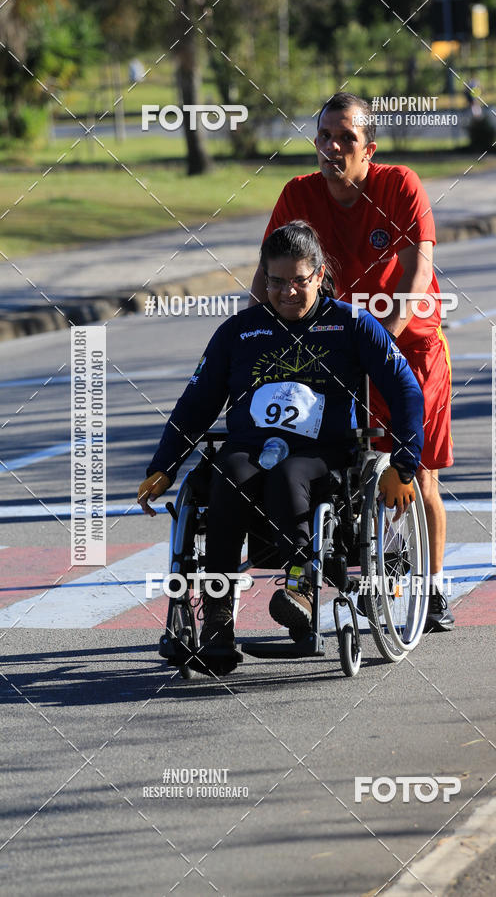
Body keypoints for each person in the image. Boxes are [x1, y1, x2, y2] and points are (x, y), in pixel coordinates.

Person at [138, 221, 424, 673]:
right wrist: (164, 466)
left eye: (299, 281)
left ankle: (299, 589)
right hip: (249, 449)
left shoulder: (351, 324)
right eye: (276, 281)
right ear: (263, 278)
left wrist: (404, 466)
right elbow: (196, 403)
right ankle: (216, 616)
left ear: (319, 274)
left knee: (291, 475)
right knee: (227, 476)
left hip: (324, 453)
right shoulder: (239, 331)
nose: (288, 292)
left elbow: (406, 389)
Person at [249, 92, 454, 633]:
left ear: (370, 148)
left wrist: (383, 336)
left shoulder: (400, 185)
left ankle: (432, 590)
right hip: (337, 346)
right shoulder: (299, 193)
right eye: (324, 138)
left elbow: (416, 273)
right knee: (337, 461)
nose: (333, 147)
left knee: (416, 476)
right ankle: (341, 570)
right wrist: (254, 337)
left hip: (408, 344)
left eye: (347, 138)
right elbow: (269, 274)